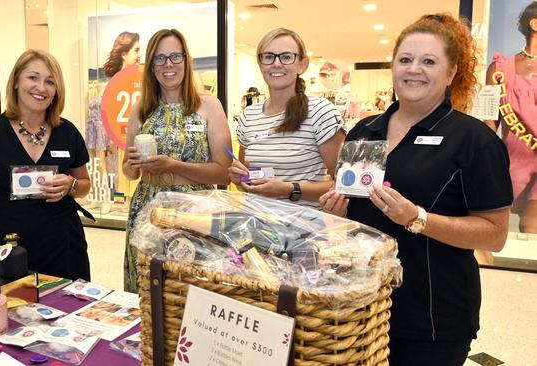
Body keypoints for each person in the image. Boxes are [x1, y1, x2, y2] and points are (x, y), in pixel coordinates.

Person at [319, 14, 512, 365]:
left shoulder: (472, 140)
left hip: (432, 317)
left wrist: (418, 219)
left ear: (451, 73)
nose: (414, 70)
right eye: (405, 60)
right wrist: (337, 215)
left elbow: (494, 235)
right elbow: (353, 217)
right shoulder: (365, 130)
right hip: (362, 306)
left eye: (429, 61)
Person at [0, 49, 93, 280]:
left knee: (67, 312)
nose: (41, 87)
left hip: (64, 247)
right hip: (9, 248)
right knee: (13, 310)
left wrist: (70, 185)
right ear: (16, 83)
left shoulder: (67, 133)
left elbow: (84, 184)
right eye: (33, 77)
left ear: (56, 91)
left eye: (50, 81)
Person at [121, 29, 232, 292]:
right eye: (159, 58)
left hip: (194, 212)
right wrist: (132, 164)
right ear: (150, 66)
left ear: (186, 60)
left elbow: (224, 173)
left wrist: (173, 165)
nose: (168, 65)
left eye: (174, 56)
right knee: (147, 288)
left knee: (188, 290)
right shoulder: (142, 108)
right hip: (147, 210)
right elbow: (128, 172)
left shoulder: (208, 105)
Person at [228, 28, 345, 208]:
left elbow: (345, 185)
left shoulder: (321, 112)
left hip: (305, 229)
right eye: (268, 56)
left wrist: (290, 189)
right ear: (260, 64)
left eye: (286, 56)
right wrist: (238, 178)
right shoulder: (249, 115)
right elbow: (246, 181)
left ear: (302, 64)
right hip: (257, 226)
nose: (276, 63)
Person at [486, 1, 537, 233]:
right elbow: (487, 121)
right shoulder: (499, 69)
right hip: (511, 164)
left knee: (531, 227)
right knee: (496, 234)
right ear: (534, 24)